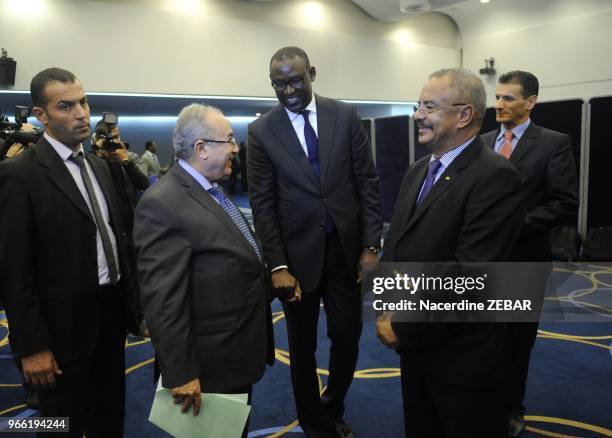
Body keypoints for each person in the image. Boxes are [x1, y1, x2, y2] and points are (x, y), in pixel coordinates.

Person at [376, 68, 524, 437]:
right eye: (418, 105)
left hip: (462, 359)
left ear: (464, 115)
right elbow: (398, 245)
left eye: (429, 106)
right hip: (416, 350)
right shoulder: (417, 171)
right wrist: (386, 303)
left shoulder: (495, 176)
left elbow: (470, 274)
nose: (417, 115)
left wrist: (401, 324)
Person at [248, 46, 382, 438]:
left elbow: (367, 182)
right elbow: (262, 204)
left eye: (294, 80)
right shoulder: (261, 131)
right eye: (278, 84)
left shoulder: (345, 115)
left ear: (312, 74)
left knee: (347, 335)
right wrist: (277, 265)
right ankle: (313, 421)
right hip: (296, 260)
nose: (287, 90)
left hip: (345, 252)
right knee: (301, 348)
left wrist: (372, 244)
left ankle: (333, 404)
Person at [0, 67, 132, 437]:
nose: (82, 113)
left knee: (109, 416)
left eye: (83, 102)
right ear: (41, 115)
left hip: (109, 318)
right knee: (59, 425)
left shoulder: (101, 168)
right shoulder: (19, 174)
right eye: (66, 106)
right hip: (56, 334)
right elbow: (15, 271)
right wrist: (31, 347)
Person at [133, 104, 274, 432]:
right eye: (229, 140)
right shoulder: (163, 203)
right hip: (205, 366)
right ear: (201, 148)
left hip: (233, 352)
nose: (236, 149)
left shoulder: (210, 190)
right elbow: (162, 300)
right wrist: (181, 372)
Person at [480, 70, 579, 437]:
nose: (499, 104)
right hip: (482, 260)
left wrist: (512, 224)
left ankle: (511, 407)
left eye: (508, 98)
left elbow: (564, 203)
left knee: (517, 341)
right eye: (498, 97)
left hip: (524, 261)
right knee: (484, 336)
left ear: (531, 102)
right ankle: (485, 399)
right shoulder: (484, 141)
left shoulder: (553, 143)